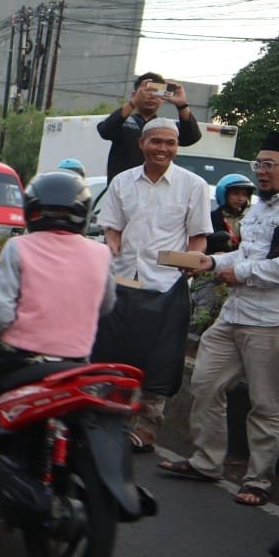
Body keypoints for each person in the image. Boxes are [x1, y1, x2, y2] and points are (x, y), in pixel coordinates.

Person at [161, 133, 279, 506]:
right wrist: (212, 262)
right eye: (258, 163)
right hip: (235, 313)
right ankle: (207, 461)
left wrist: (242, 273)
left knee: (266, 403)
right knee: (205, 383)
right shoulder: (262, 206)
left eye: (269, 164)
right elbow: (246, 253)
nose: (260, 171)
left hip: (276, 320)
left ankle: (258, 480)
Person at [0, 172, 115, 449]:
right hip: (77, 360)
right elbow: (106, 305)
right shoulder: (101, 253)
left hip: (16, 355)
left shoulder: (19, 247)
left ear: (32, 210)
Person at [96, 118, 212, 451]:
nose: (163, 148)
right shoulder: (123, 181)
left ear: (177, 147)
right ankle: (107, 421)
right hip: (123, 280)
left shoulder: (193, 185)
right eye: (156, 141)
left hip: (166, 284)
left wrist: (191, 262)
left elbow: (198, 238)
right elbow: (112, 227)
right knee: (114, 354)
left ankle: (147, 428)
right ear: (142, 144)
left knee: (159, 361)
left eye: (170, 143)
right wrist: (111, 246)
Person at [96, 72, 202, 179]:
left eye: (157, 93)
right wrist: (132, 103)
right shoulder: (123, 121)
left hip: (158, 186)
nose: (151, 97)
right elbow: (105, 131)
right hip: (124, 186)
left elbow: (191, 138)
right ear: (134, 95)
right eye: (146, 92)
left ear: (163, 97)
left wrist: (182, 105)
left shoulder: (166, 127)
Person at [210, 173, 255, 253]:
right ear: (224, 194)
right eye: (235, 194)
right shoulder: (212, 218)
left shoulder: (251, 219)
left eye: (244, 195)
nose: (240, 199)